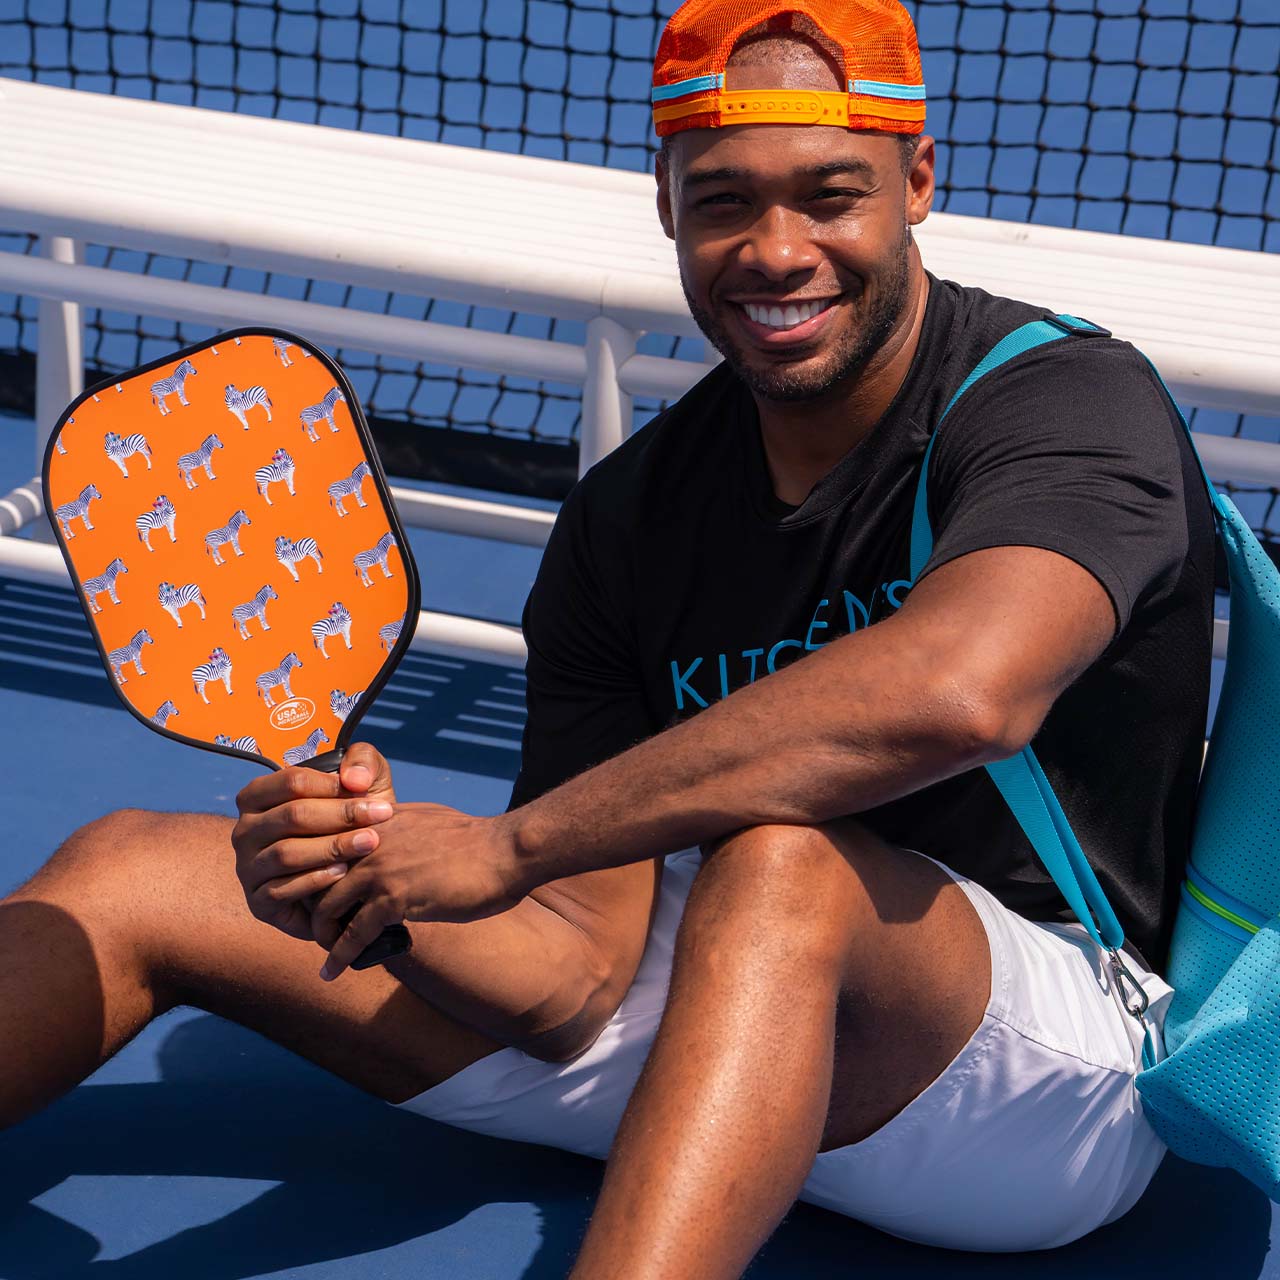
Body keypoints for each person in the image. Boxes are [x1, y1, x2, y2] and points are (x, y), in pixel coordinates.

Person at [0, 0, 1216, 1275]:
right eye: (725, 200)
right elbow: (574, 978)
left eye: (829, 195)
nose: (775, 249)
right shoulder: (629, 514)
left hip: (1037, 1085)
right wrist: (373, 883)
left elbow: (962, 691)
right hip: (724, 1009)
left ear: (916, 181)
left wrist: (510, 843)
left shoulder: (1062, 398)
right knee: (131, 868)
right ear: (665, 203)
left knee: (776, 868)